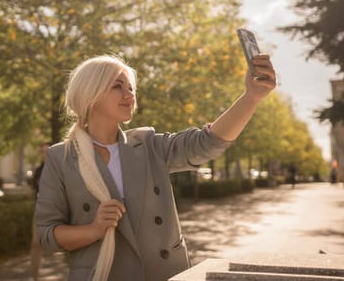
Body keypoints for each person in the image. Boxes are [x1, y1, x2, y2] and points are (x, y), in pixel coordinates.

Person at [35, 53, 276, 281]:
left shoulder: (149, 145)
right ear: (90, 94)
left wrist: (251, 97)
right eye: (117, 86)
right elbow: (48, 234)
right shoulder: (61, 158)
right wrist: (94, 230)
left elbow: (207, 143)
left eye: (130, 87)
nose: (129, 94)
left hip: (166, 273)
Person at [29, 142, 51, 281]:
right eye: (42, 152)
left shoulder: (60, 169)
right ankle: (34, 277)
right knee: (35, 244)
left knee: (68, 246)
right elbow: (34, 191)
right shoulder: (38, 171)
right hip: (40, 211)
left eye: (47, 151)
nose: (45, 154)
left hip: (59, 211)